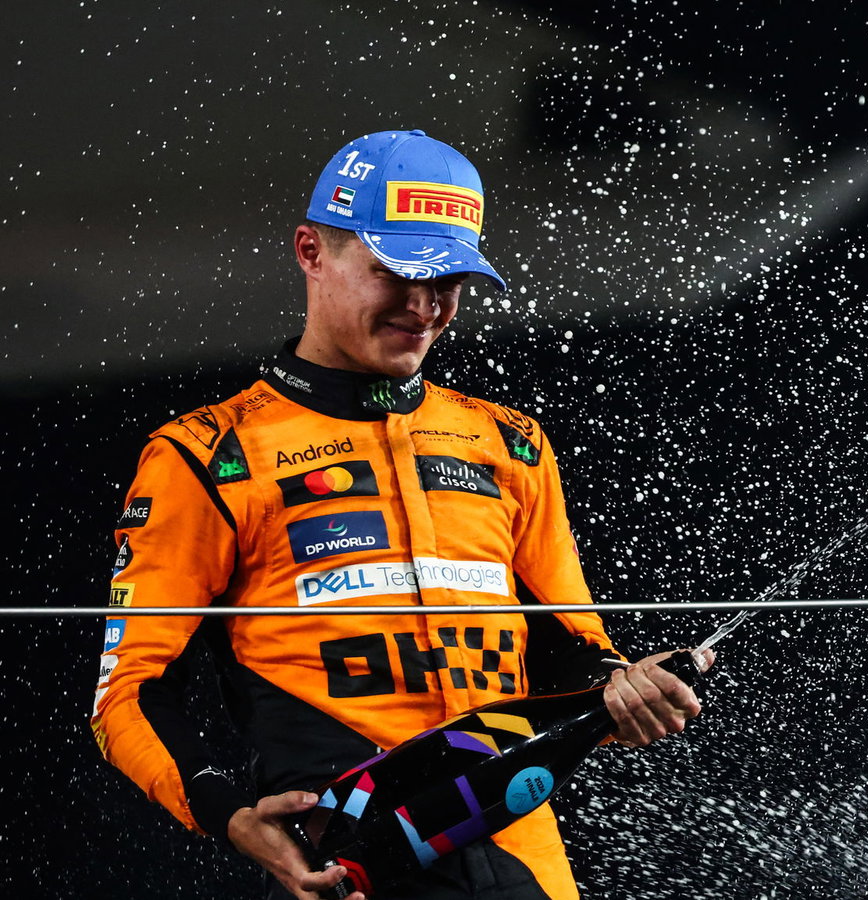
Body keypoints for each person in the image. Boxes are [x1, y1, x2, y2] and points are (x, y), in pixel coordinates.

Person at [89, 130, 711, 900]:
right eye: (396, 272)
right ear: (311, 252)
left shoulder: (510, 442)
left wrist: (623, 686)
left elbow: (568, 647)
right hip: (347, 866)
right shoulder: (205, 453)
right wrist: (232, 815)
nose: (424, 306)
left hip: (526, 864)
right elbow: (128, 692)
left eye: (449, 277)